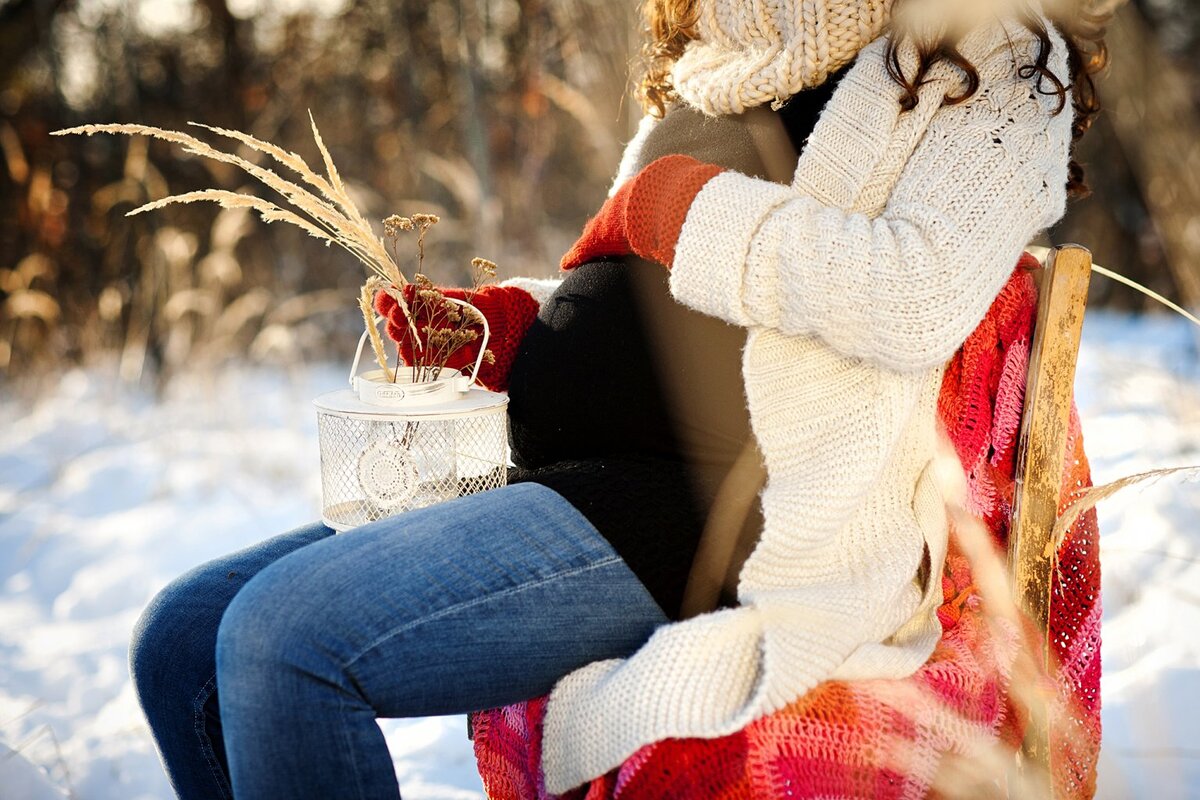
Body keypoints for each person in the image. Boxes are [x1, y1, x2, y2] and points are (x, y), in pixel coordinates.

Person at [128, 0, 1106, 797]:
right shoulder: (726, 48)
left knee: (285, 637)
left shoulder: (993, 50)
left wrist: (686, 205)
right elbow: (660, 284)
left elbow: (912, 294)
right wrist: (514, 325)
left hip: (706, 502)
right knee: (182, 637)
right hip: (546, 463)